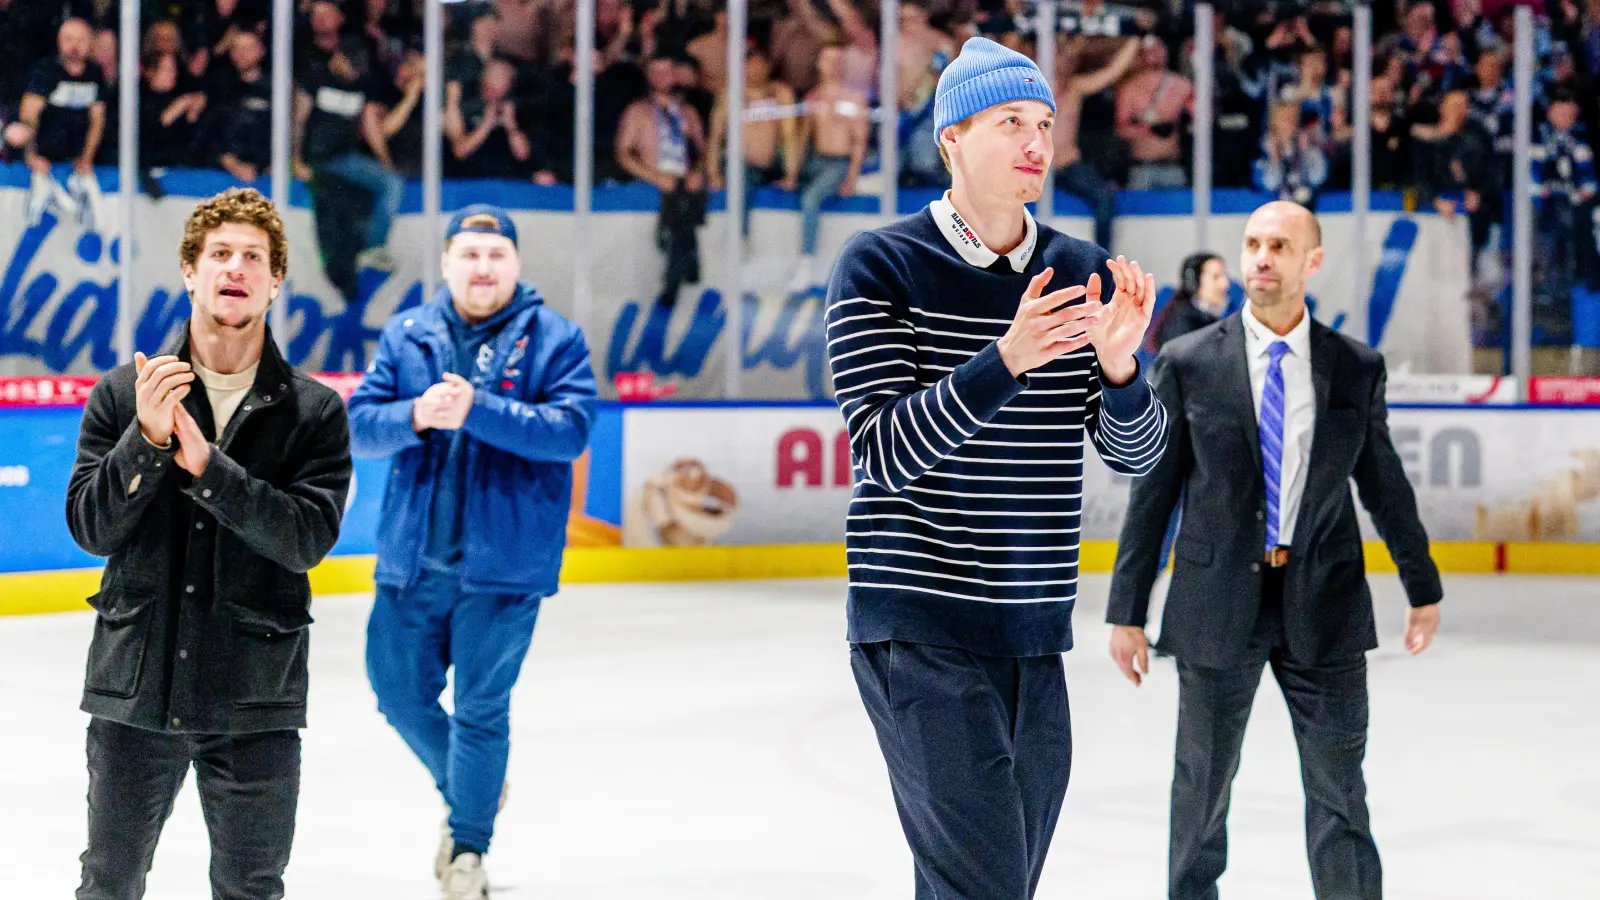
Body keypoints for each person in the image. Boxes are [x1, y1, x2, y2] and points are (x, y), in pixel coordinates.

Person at [824, 37, 1169, 900]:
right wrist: (1003, 359)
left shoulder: (1082, 273)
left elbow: (1139, 454)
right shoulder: (879, 265)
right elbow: (884, 452)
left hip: (1033, 634)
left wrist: (1125, 371)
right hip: (919, 633)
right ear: (951, 138)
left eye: (1045, 124)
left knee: (989, 885)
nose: (1036, 143)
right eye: (1011, 121)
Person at [1105, 200, 1444, 900]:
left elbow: (1384, 483)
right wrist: (1126, 609)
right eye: (1253, 243)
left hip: (1325, 603)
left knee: (1340, 793)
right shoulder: (1189, 361)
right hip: (1214, 601)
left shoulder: (1354, 368)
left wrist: (1423, 585)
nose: (1261, 257)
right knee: (1200, 793)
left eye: (1280, 246)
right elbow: (1155, 493)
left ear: (1311, 263)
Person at [64, 186, 353, 900]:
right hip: (136, 688)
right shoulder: (124, 394)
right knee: (108, 882)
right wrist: (147, 441)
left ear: (276, 281)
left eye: (254, 257)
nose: (237, 267)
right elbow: (90, 528)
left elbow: (305, 539)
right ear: (190, 271)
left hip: (254, 696)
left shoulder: (313, 412)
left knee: (250, 887)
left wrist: (208, 469)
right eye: (219, 253)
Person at [347, 205, 598, 900]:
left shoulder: (557, 339)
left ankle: (468, 848)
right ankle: (473, 786)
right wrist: (415, 416)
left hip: (505, 569)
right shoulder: (406, 335)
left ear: (516, 264)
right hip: (411, 562)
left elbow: (570, 431)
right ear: (448, 262)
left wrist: (477, 408)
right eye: (470, 254)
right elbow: (360, 426)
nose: (483, 267)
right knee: (396, 694)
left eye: (496, 255)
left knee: (482, 713)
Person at [616, 55, 708, 308]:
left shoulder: (687, 113)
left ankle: (675, 276)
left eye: (667, 71)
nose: (661, 77)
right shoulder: (638, 111)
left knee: (685, 202)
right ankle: (689, 258)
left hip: (684, 179)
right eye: (655, 72)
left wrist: (697, 172)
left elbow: (702, 152)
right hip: (657, 177)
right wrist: (653, 177)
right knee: (679, 211)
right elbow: (623, 153)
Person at [14, 17, 106, 228]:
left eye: (81, 40)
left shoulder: (94, 73)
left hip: (75, 159)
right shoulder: (46, 70)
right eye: (69, 39)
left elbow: (97, 119)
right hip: (44, 156)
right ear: (59, 41)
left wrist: (87, 157)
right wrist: (31, 156)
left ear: (90, 43)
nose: (74, 46)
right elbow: (28, 116)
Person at [791, 41, 869, 291]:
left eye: (838, 60)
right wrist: (791, 172)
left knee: (811, 198)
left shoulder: (854, 98)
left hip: (839, 161)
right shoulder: (813, 97)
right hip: (817, 160)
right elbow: (802, 139)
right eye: (828, 59)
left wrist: (851, 177)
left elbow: (859, 141)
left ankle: (806, 264)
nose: (833, 65)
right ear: (819, 64)